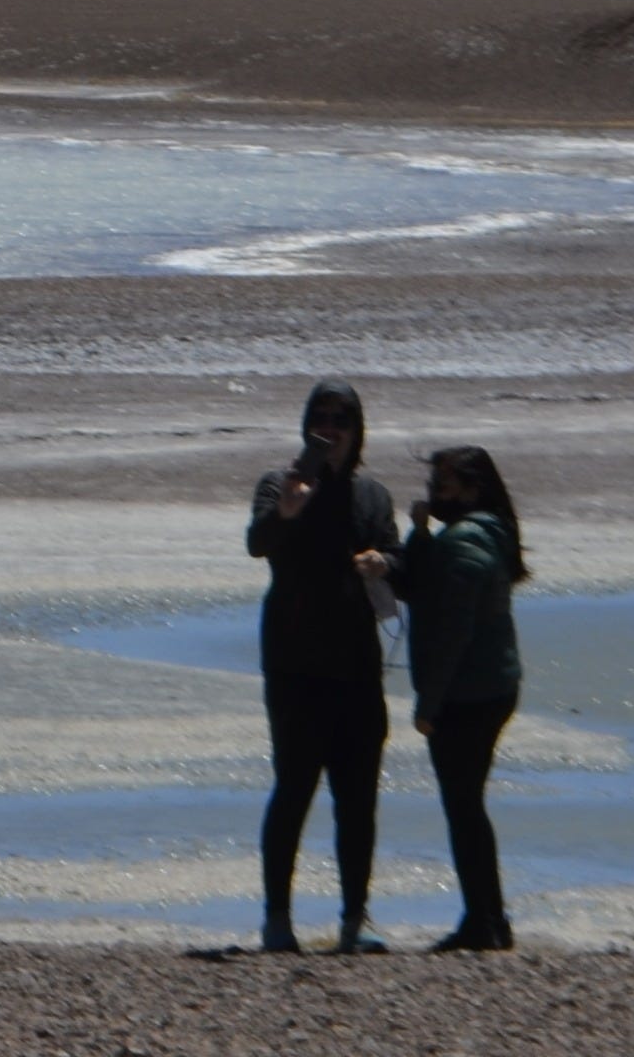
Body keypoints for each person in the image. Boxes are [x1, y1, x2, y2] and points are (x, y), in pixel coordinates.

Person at [245, 379, 400, 954]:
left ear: (358, 430)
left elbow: (400, 558)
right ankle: (277, 920)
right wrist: (287, 510)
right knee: (293, 790)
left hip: (358, 666)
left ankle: (356, 919)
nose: (331, 428)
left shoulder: (372, 495)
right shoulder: (279, 483)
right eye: (322, 418)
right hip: (294, 665)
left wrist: (385, 562)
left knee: (357, 798)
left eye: (342, 419)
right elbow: (257, 543)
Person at [384, 446, 530, 953]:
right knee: (467, 806)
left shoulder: (467, 541)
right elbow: (426, 588)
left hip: (470, 693)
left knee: (464, 808)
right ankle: (489, 918)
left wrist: (429, 705)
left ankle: (483, 921)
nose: (434, 496)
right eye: (433, 486)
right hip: (492, 685)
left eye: (444, 487)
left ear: (472, 489)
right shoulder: (487, 532)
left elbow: (452, 631)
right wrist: (421, 534)